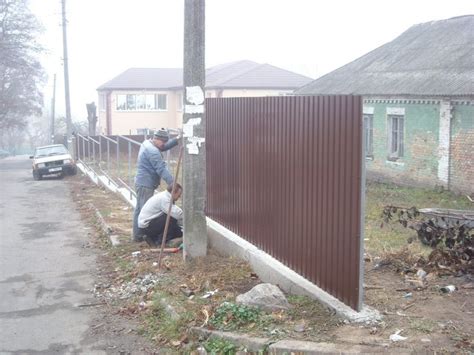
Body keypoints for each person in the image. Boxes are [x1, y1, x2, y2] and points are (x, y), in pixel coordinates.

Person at [132, 128, 179, 241]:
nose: (164, 145)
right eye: (163, 142)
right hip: (145, 184)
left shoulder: (147, 143)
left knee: (139, 209)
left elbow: (162, 147)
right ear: (156, 139)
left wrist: (176, 140)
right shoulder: (152, 151)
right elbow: (161, 168)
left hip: (141, 181)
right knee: (143, 210)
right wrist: (173, 183)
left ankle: (137, 235)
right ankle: (142, 236)